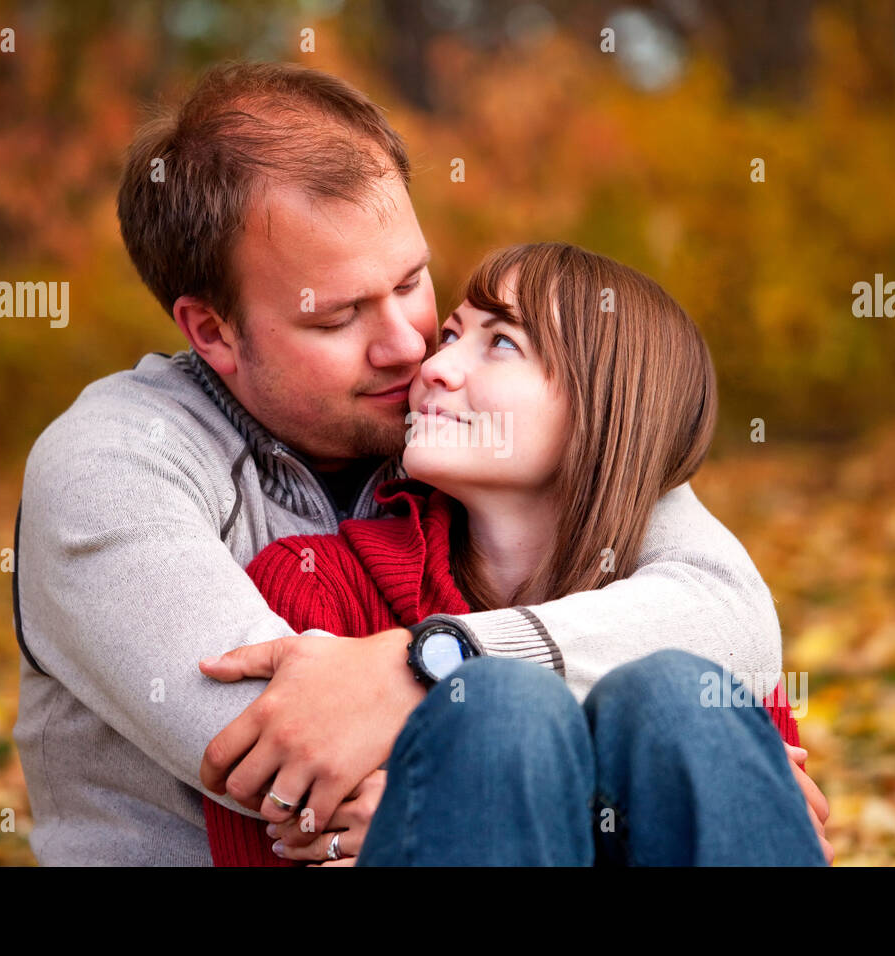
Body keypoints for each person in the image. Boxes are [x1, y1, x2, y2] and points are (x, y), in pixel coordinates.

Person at [11, 60, 828, 865]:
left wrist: (420, 668)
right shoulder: (110, 468)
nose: (410, 346)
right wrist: (690, 786)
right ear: (214, 332)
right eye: (336, 319)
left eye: (411, 283)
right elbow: (286, 748)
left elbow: (725, 618)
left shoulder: (471, 431)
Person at [200, 242, 827, 866]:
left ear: (606, 409)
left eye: (501, 342)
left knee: (674, 694)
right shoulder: (317, 587)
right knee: (501, 707)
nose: (435, 368)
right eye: (450, 335)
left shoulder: (687, 625)